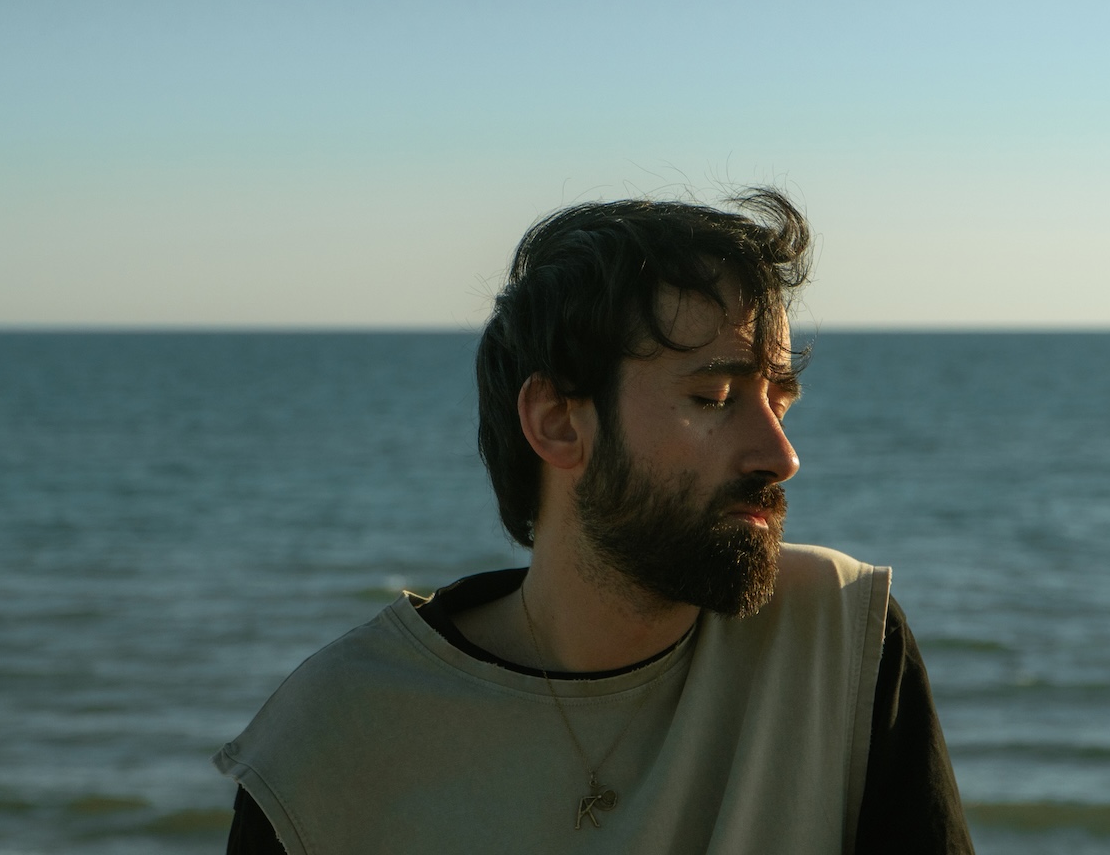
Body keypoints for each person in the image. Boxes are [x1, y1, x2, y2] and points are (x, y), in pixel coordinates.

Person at [215, 189, 974, 854]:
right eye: (713, 399)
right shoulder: (332, 739)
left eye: (779, 402)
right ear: (558, 423)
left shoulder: (840, 641)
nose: (782, 456)